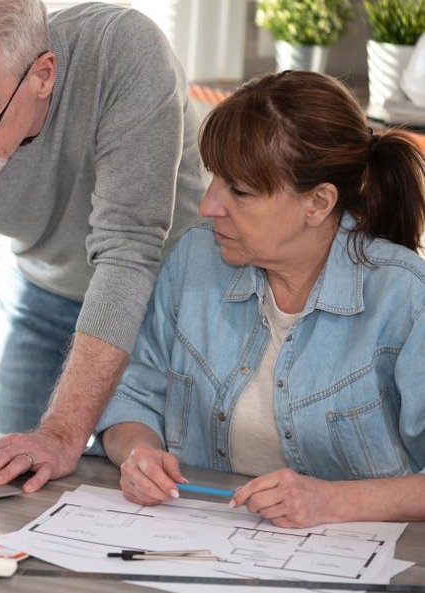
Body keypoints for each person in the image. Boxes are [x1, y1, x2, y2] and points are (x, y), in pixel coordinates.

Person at [0, 0, 206, 493]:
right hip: (43, 291)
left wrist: (62, 432)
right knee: (14, 489)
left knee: (148, 494)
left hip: (163, 306)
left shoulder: (123, 53)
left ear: (43, 75)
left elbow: (128, 252)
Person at [97, 69, 425, 528]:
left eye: (241, 191)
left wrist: (330, 502)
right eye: (215, 179)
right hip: (200, 549)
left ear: (318, 203)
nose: (209, 205)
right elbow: (132, 399)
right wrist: (139, 453)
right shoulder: (194, 258)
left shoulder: (406, 296)